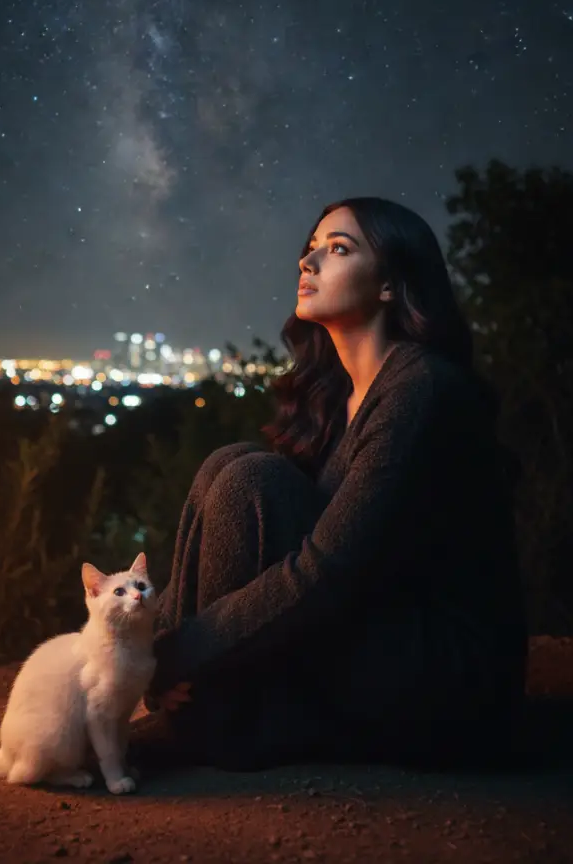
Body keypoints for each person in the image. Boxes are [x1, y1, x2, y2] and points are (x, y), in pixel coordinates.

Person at [129, 197, 528, 772]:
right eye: (310, 248)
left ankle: (204, 721)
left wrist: (176, 654)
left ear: (390, 284)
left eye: (338, 248)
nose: (308, 261)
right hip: (372, 642)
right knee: (233, 463)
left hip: (446, 686)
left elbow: (327, 573)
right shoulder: (339, 398)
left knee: (252, 478)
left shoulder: (421, 390)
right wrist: (152, 654)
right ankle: (196, 707)